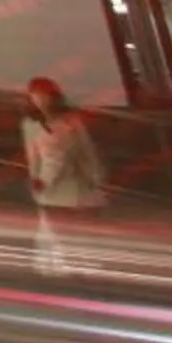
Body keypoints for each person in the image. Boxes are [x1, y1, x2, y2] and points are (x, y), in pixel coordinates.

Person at [20, 76, 106, 274]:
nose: (40, 100)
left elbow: (86, 152)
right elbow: (36, 158)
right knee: (62, 232)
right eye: (35, 96)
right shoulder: (33, 124)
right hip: (54, 188)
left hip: (75, 185)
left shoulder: (69, 122)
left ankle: (75, 268)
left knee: (73, 231)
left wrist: (96, 178)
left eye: (44, 96)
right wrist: (38, 181)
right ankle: (67, 268)